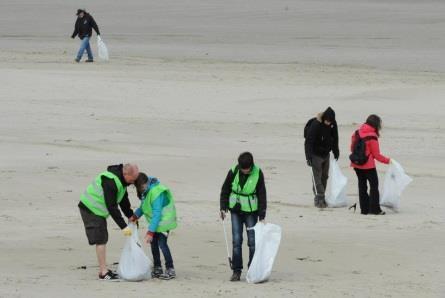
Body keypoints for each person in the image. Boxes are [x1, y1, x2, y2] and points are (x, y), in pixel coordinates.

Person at [78, 163, 139, 280]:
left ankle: (103, 270)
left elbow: (123, 200)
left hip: (97, 210)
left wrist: (131, 215)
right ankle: (103, 272)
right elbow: (112, 207)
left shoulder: (122, 181)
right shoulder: (110, 181)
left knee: (102, 237)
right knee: (101, 239)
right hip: (90, 208)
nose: (133, 182)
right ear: (125, 173)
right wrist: (124, 227)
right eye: (133, 179)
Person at [220, 152, 267, 281]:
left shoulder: (258, 173)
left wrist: (262, 215)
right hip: (235, 210)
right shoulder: (233, 171)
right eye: (243, 169)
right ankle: (236, 270)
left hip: (251, 212)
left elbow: (262, 194)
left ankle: (252, 270)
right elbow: (225, 190)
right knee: (236, 241)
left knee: (252, 242)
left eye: (247, 169)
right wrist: (223, 208)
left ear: (251, 166)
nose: (245, 171)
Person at [131, 172, 178, 280]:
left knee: (162, 245)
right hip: (156, 224)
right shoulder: (146, 192)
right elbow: (144, 207)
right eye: (139, 187)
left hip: (164, 223)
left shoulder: (156, 192)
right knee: (154, 245)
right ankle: (157, 268)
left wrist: (150, 232)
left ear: (146, 183)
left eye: (142, 187)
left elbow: (157, 213)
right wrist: (135, 216)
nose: (141, 189)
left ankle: (170, 269)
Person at [350, 115, 390, 215]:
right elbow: (376, 155)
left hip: (356, 164)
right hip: (368, 166)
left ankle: (364, 210)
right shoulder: (372, 136)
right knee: (374, 187)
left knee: (362, 186)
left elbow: (352, 148)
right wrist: (388, 161)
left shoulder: (357, 132)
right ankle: (375, 210)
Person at [304, 107, 340, 208]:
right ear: (324, 118)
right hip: (315, 154)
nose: (328, 123)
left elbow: (335, 137)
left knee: (325, 176)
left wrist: (336, 151)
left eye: (330, 121)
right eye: (327, 121)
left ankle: (321, 197)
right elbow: (308, 142)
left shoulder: (333, 123)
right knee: (317, 177)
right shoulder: (316, 124)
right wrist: (308, 157)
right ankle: (319, 198)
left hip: (326, 154)